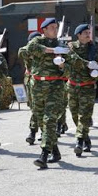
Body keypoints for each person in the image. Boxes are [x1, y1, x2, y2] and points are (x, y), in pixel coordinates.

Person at [24, 18, 69, 169]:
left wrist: (62, 64)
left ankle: (44, 154)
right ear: (44, 30)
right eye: (51, 28)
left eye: (56, 27)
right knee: (41, 119)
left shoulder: (62, 45)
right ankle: (55, 151)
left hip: (54, 87)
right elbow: (30, 48)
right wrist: (52, 51)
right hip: (37, 85)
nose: (55, 30)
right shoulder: (38, 41)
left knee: (49, 119)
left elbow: (69, 71)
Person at [65, 24, 98, 156]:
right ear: (78, 35)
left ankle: (79, 141)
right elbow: (71, 61)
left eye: (89, 32)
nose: (88, 35)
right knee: (75, 115)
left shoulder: (94, 49)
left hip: (88, 87)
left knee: (84, 116)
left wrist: (97, 75)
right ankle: (86, 138)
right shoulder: (71, 48)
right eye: (85, 32)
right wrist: (86, 64)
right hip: (73, 86)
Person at [19, 31, 41, 145]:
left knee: (40, 108)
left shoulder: (44, 51)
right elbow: (22, 52)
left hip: (44, 83)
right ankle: (37, 131)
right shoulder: (26, 51)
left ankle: (34, 132)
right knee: (34, 107)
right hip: (31, 81)